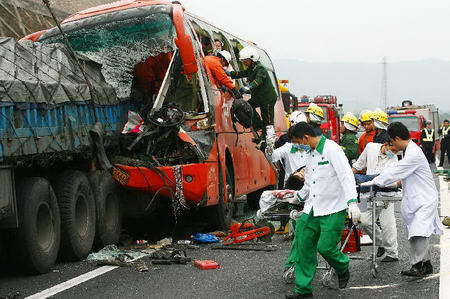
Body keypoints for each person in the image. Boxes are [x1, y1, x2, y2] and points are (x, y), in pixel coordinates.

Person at [278, 122, 360, 298]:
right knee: (303, 246)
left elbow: (346, 176)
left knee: (326, 247)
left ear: (306, 138)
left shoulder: (332, 149)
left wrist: (352, 202)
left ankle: (342, 266)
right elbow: (309, 180)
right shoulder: (310, 153)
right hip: (312, 208)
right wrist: (299, 196)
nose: (298, 146)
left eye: (298, 142)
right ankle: (303, 290)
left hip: (333, 208)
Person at [361, 122, 443, 277]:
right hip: (416, 197)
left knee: (419, 232)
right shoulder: (408, 150)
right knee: (416, 232)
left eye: (391, 142)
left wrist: (374, 182)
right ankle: (425, 264)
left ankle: (418, 266)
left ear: (397, 138)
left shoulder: (413, 153)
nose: (391, 146)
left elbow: (396, 170)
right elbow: (403, 173)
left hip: (423, 198)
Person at [352, 142, 400, 262]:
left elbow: (391, 180)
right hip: (365, 192)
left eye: (396, 152)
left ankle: (392, 253)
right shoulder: (370, 147)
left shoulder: (394, 160)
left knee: (387, 224)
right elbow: (358, 165)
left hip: (385, 194)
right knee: (361, 220)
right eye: (392, 150)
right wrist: (346, 176)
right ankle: (381, 244)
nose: (393, 153)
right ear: (386, 144)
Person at [229, 46, 278, 143]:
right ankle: (257, 124)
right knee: (249, 105)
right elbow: (241, 73)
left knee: (267, 119)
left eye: (245, 60)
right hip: (258, 97)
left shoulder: (260, 69)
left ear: (252, 59)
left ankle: (266, 136)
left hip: (267, 98)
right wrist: (229, 73)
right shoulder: (251, 69)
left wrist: (248, 87)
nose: (244, 62)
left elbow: (258, 80)